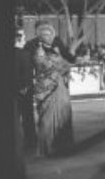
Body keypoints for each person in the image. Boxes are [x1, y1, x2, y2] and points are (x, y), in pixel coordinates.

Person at [25, 21, 76, 156]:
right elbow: (44, 67)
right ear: (41, 36)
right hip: (47, 89)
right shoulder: (39, 51)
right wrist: (61, 66)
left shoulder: (56, 50)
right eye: (45, 34)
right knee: (47, 120)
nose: (49, 37)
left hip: (60, 88)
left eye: (50, 34)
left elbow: (66, 64)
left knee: (63, 116)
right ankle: (48, 149)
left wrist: (63, 64)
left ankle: (62, 147)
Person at [14, 28, 36, 153]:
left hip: (19, 90)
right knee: (28, 117)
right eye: (23, 36)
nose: (25, 38)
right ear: (18, 38)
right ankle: (31, 141)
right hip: (24, 91)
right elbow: (27, 74)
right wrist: (24, 87)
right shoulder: (24, 54)